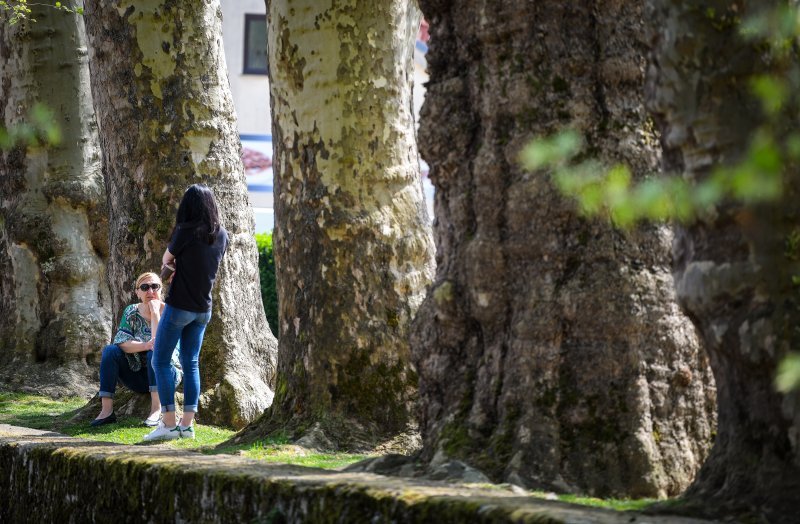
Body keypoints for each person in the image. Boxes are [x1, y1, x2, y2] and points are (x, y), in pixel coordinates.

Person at [145, 184, 228, 441]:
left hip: (180, 305)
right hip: (203, 309)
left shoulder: (185, 231)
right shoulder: (222, 234)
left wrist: (171, 265)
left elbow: (166, 259)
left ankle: (168, 424)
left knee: (160, 360)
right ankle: (187, 425)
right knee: (191, 362)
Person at [92, 272, 182, 427]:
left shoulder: (171, 313)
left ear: (161, 289)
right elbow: (122, 342)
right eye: (145, 287)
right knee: (109, 351)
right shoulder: (131, 311)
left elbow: (159, 346)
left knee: (155, 353)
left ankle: (156, 409)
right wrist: (145, 345)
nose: (150, 291)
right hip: (138, 377)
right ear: (137, 292)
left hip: (167, 376)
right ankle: (106, 411)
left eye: (155, 286)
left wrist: (155, 313)